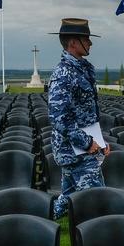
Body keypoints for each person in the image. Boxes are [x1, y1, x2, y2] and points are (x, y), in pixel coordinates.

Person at [48, 18, 110, 219]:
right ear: (73, 43)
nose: (90, 43)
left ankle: (38, 224)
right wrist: (86, 142)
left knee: (68, 197)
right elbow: (59, 116)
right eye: (86, 39)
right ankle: (93, 241)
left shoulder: (83, 69)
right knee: (96, 202)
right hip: (75, 149)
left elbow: (88, 115)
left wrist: (99, 142)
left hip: (84, 146)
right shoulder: (63, 73)